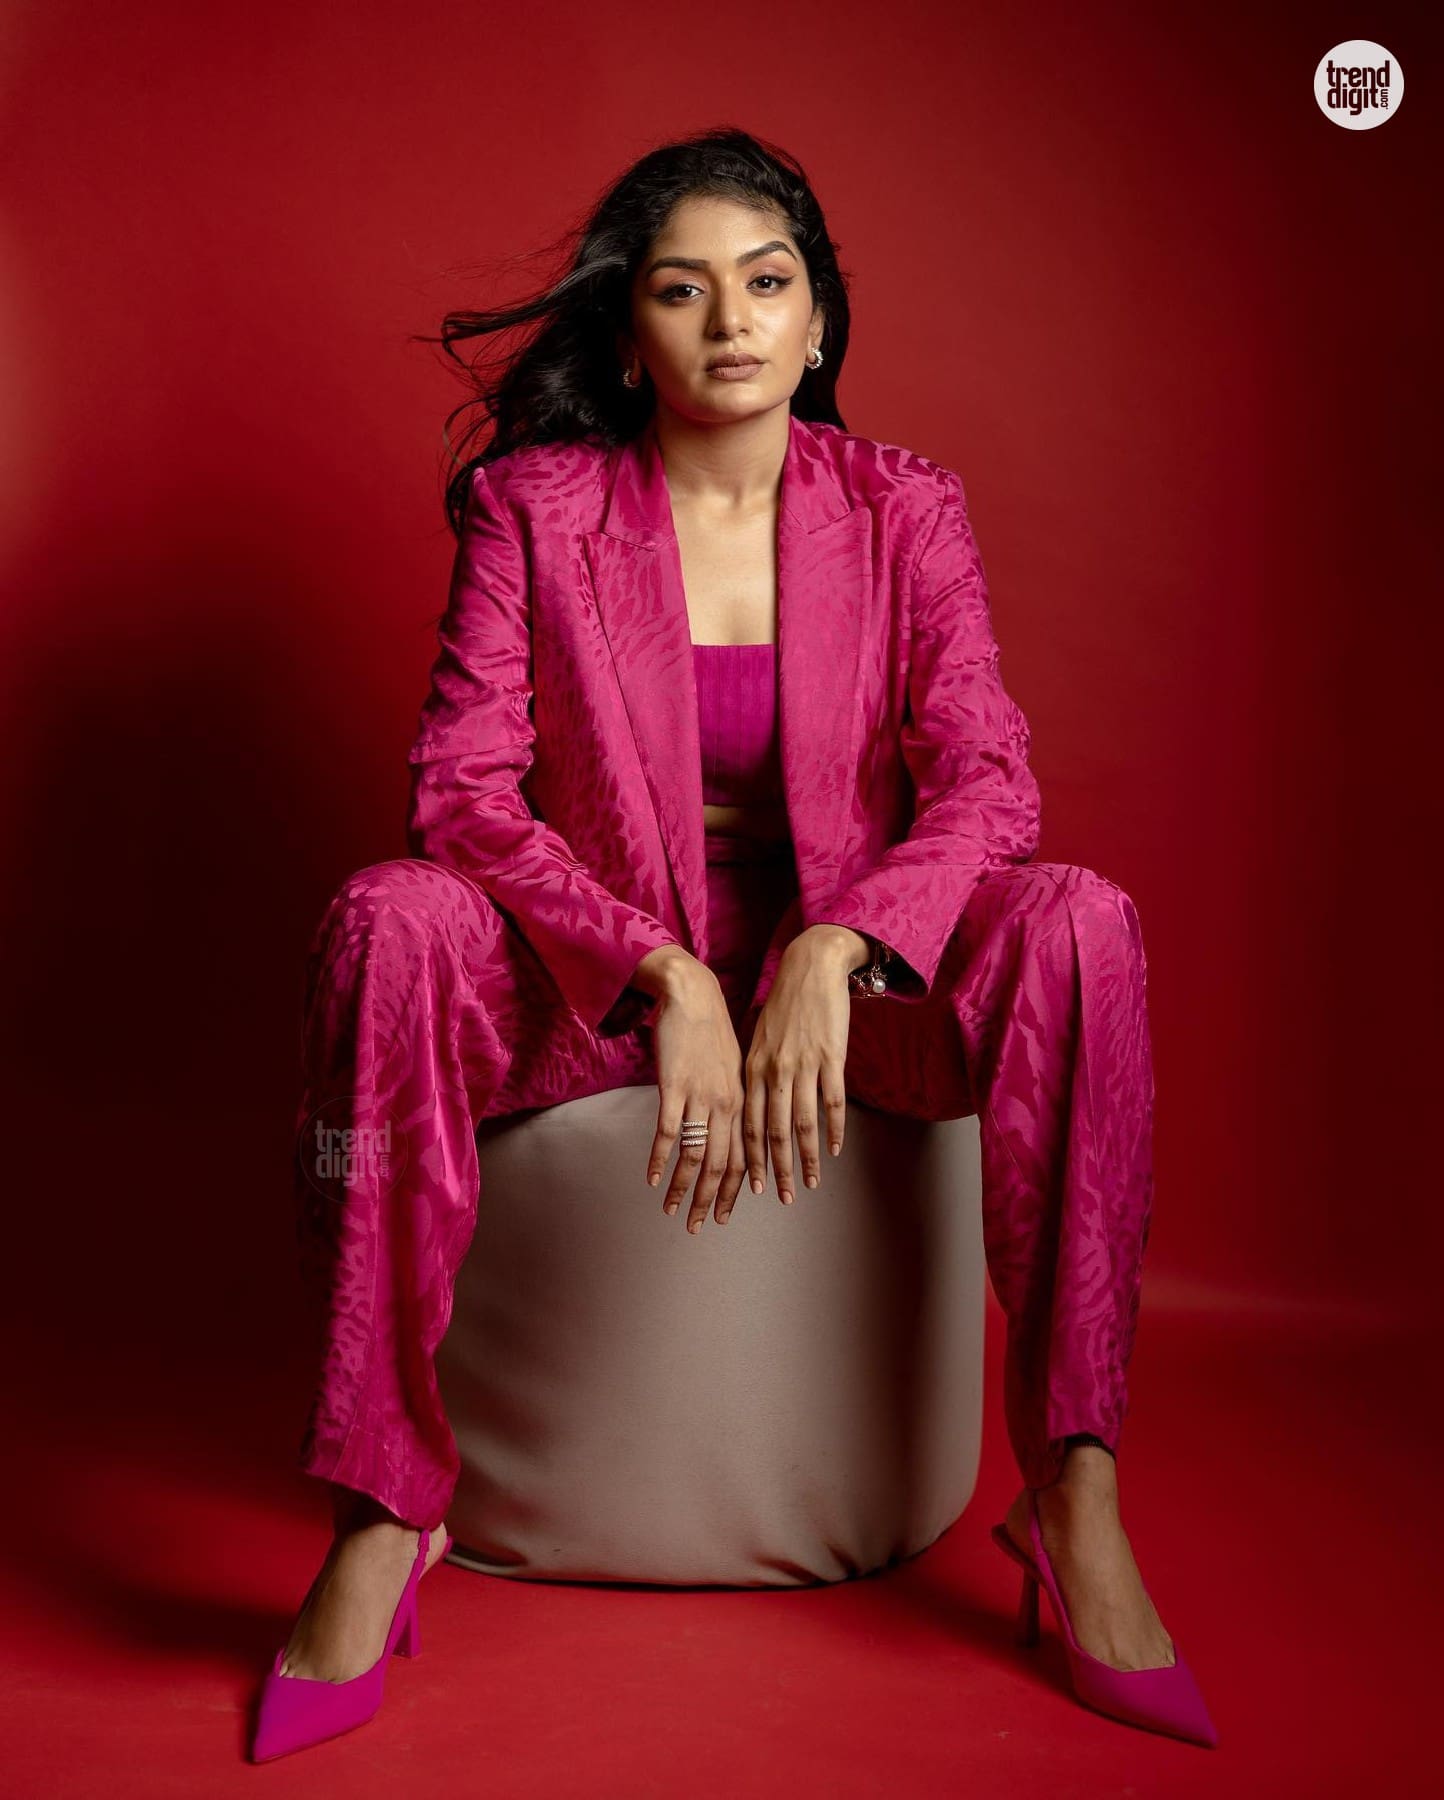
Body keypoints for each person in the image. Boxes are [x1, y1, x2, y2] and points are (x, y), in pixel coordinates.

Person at [250, 127, 1218, 1762]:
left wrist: (838, 949)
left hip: (851, 985)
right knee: (385, 918)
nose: (730, 323)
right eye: (682, 291)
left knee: (1081, 924)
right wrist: (664, 967)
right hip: (597, 979)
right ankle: (380, 1507)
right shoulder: (533, 509)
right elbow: (462, 791)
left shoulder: (905, 508)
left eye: (766, 285)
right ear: (631, 333)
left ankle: (1074, 1490)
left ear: (818, 319)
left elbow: (987, 780)